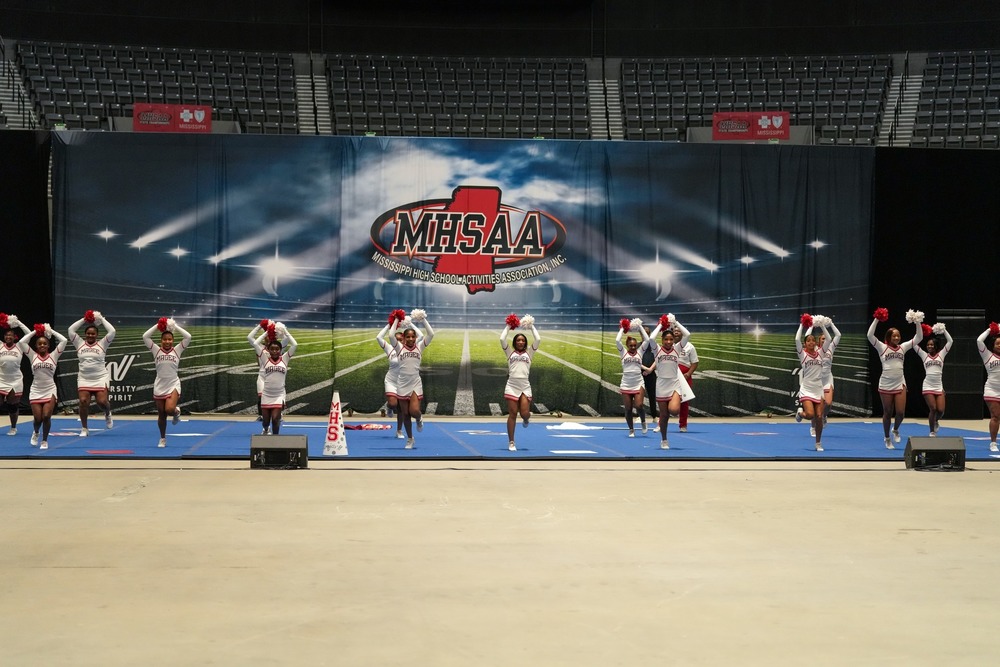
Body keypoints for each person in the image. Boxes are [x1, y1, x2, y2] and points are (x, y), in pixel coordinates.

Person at [867, 309, 922, 449]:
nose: (897, 338)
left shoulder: (903, 348)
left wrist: (917, 322)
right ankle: (886, 438)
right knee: (887, 412)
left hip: (899, 383)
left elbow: (919, 338)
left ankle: (896, 429)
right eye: (894, 336)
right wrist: (877, 319)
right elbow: (870, 335)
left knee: (901, 412)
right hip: (885, 383)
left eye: (898, 336)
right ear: (889, 337)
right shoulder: (882, 348)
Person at [388, 309, 434, 449]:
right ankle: (410, 439)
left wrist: (422, 319)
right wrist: (397, 318)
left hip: (415, 383)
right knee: (405, 414)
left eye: (412, 337)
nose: (410, 339)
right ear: (404, 338)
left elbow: (431, 334)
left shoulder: (420, 347)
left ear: (415, 337)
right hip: (402, 384)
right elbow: (390, 335)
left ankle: (419, 418)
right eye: (407, 337)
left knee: (414, 411)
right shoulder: (399, 348)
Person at [143, 317, 192, 448]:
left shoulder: (177, 350)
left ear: (172, 340)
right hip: (159, 385)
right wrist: (158, 325)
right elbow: (145, 337)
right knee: (162, 414)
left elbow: (188, 337)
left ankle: (176, 411)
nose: (167, 341)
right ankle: (163, 438)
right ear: (161, 341)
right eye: (164, 339)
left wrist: (174, 326)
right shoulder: (156, 350)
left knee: (169, 409)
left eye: (169, 339)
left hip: (173, 384)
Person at [647, 314, 694, 450]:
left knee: (673, 411)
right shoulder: (657, 350)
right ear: (662, 340)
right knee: (664, 415)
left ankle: (668, 429)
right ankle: (664, 439)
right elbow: (651, 338)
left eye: (671, 339)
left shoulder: (677, 349)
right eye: (666, 339)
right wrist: (662, 324)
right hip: (661, 385)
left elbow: (687, 334)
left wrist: (675, 322)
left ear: (674, 340)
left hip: (674, 384)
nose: (668, 342)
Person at [19, 323, 68, 450]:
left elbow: (64, 340)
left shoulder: (54, 356)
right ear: (36, 346)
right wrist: (36, 331)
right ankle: (36, 432)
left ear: (48, 346)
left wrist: (50, 330)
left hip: (50, 389)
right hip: (36, 390)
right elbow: (22, 342)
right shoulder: (32, 355)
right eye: (39, 344)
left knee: (46, 416)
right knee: (37, 419)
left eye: (44, 343)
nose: (42, 345)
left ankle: (44, 440)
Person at [67, 310, 116, 437]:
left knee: (102, 402)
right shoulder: (79, 343)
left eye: (93, 334)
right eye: (88, 333)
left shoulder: (102, 344)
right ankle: (84, 428)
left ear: (97, 335)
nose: (90, 335)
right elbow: (71, 330)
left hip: (100, 377)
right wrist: (85, 319)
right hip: (84, 378)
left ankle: (107, 413)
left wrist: (101, 319)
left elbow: (112, 332)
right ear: (85, 334)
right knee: (83, 401)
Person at [376, 314, 423, 439]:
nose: (399, 341)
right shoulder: (390, 349)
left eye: (400, 339)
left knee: (403, 411)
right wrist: (390, 324)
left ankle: (399, 431)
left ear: (403, 338)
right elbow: (379, 337)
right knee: (392, 404)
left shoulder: (409, 346)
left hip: (404, 382)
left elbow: (421, 336)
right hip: (392, 380)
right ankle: (389, 407)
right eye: (396, 339)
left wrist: (409, 323)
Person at [249, 320, 297, 436]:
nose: (275, 351)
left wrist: (284, 330)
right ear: (269, 351)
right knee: (265, 421)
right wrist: (266, 331)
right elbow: (255, 343)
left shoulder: (284, 358)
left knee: (276, 419)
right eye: (272, 349)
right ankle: (266, 429)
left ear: (280, 350)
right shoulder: (265, 358)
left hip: (278, 394)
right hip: (266, 394)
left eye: (277, 349)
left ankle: (275, 439)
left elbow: (295, 345)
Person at [502, 314, 540, 451]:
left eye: (522, 340)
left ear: (525, 342)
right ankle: (511, 442)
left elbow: (538, 339)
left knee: (524, 413)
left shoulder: (529, 353)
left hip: (524, 385)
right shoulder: (509, 353)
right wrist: (509, 325)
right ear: (514, 342)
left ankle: (526, 419)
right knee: (512, 414)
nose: (520, 342)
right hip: (512, 385)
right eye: (518, 340)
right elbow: (501, 338)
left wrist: (530, 325)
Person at [915, 323, 952, 437]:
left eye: (931, 344)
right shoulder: (924, 355)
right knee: (933, 408)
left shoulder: (941, 355)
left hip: (938, 386)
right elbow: (914, 344)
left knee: (940, 410)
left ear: (936, 346)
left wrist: (943, 330)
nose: (929, 346)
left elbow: (950, 341)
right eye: (928, 345)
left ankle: (935, 421)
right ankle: (931, 431)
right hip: (927, 386)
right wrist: (917, 325)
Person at [795, 316, 826, 451]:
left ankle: (818, 443)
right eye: (808, 341)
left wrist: (822, 325)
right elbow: (796, 339)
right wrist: (802, 325)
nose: (811, 342)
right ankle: (800, 414)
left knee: (819, 417)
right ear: (805, 343)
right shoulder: (803, 355)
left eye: (813, 340)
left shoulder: (820, 353)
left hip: (818, 388)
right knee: (810, 415)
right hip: (807, 388)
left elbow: (829, 339)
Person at [616, 318, 650, 437]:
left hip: (638, 381)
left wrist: (639, 326)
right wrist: (622, 328)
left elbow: (647, 340)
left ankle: (643, 422)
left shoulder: (640, 352)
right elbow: (617, 340)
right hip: (626, 383)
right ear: (628, 346)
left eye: (635, 345)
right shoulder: (623, 352)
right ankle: (631, 429)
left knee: (639, 405)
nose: (633, 347)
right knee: (628, 409)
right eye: (631, 346)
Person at [0, 313, 31, 436]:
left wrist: (17, 322)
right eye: (6, 335)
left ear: (15, 337)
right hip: (1, 379)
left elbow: (29, 333)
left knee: (12, 406)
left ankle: (13, 427)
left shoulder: (20, 346)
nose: (8, 337)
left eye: (11, 335)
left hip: (15, 380)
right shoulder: (1, 346)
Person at [976, 324, 1000, 452]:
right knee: (995, 416)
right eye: (998, 343)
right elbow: (979, 340)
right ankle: (993, 443)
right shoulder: (988, 356)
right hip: (992, 389)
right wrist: (991, 329)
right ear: (993, 345)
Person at [816, 317, 841, 433]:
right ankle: (813, 426)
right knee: (818, 406)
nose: (824, 340)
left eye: (825, 338)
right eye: (822, 339)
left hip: (828, 378)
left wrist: (831, 324)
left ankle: (824, 417)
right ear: (819, 340)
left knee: (828, 403)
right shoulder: (815, 350)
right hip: (817, 379)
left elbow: (838, 335)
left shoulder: (831, 347)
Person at [674, 325, 699, 433]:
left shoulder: (690, 346)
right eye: (674, 331)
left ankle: (683, 425)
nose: (676, 332)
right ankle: (661, 423)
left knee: (684, 402)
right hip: (671, 376)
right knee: (665, 400)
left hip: (684, 377)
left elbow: (695, 362)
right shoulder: (668, 345)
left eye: (678, 331)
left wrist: (688, 373)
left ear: (682, 333)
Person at [641, 325, 658, 428]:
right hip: (640, 374)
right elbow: (636, 359)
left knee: (652, 396)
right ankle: (640, 416)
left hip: (651, 374)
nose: (645, 335)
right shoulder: (638, 346)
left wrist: (650, 369)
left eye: (647, 333)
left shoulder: (654, 345)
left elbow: (657, 358)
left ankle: (654, 416)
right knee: (639, 397)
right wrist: (643, 369)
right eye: (643, 333)